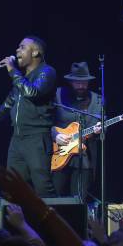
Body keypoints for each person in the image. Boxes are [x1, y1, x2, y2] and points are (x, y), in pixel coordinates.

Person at [0, 36, 58, 197]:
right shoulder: (22, 78)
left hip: (36, 139)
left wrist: (12, 70)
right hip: (17, 139)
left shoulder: (47, 72)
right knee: (11, 190)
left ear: (35, 52)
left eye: (22, 47)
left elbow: (33, 92)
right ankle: (15, 222)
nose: (17, 50)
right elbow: (8, 103)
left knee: (43, 190)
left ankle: (55, 222)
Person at [51, 62, 102, 199]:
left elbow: (102, 127)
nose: (80, 86)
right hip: (59, 154)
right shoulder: (58, 95)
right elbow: (45, 122)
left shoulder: (97, 100)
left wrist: (99, 130)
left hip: (83, 157)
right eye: (77, 82)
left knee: (79, 200)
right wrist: (56, 135)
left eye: (84, 82)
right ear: (71, 81)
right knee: (54, 198)